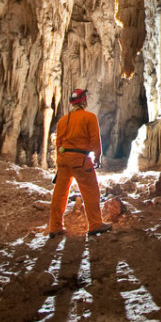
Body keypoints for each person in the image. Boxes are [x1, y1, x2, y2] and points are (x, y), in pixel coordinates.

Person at [47, 88, 112, 238]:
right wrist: (97, 156)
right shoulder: (89, 117)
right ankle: (95, 225)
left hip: (64, 160)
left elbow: (59, 143)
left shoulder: (63, 120)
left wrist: (59, 161)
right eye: (85, 98)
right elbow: (95, 139)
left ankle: (55, 227)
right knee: (91, 191)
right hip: (80, 160)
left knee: (59, 194)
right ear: (83, 101)